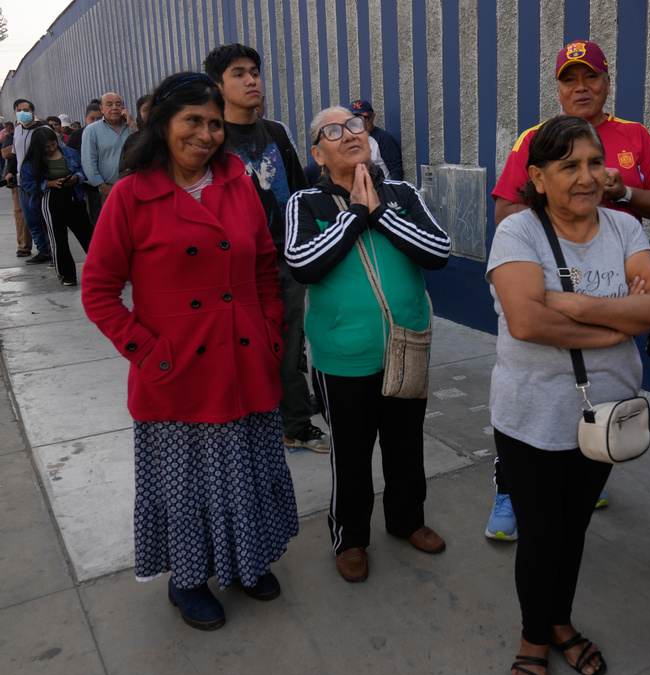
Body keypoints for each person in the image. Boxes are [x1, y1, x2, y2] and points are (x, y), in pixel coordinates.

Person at [80, 72, 299, 631]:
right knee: (189, 485)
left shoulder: (238, 182)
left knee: (246, 471)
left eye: (215, 124)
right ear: (163, 125)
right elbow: (99, 290)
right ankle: (188, 579)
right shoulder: (131, 194)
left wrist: (271, 329)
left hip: (246, 360)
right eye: (193, 122)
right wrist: (148, 352)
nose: (207, 135)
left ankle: (248, 563)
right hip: (177, 371)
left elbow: (263, 268)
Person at [488, 115, 650, 675]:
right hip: (533, 414)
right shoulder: (518, 233)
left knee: (574, 528)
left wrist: (572, 305)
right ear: (538, 177)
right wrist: (619, 325)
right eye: (569, 166)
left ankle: (558, 620)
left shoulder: (623, 228)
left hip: (606, 412)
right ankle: (534, 637)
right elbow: (524, 320)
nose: (587, 176)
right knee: (542, 535)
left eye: (595, 163)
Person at [486, 39, 650, 541]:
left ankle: (585, 463)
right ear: (558, 87)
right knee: (533, 406)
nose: (581, 87)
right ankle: (509, 493)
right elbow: (508, 212)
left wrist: (622, 194)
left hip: (621, 265)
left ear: (606, 81)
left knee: (590, 417)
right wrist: (568, 208)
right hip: (558, 273)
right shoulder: (535, 138)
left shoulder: (634, 136)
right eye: (569, 79)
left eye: (590, 76)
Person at [284, 106, 451, 583]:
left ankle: (406, 521)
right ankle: (351, 537)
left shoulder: (401, 193)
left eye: (355, 126)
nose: (348, 134)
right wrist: (357, 214)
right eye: (331, 131)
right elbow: (302, 263)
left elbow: (437, 251)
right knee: (352, 453)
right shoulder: (306, 203)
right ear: (317, 153)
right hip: (343, 357)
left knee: (405, 445)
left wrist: (379, 211)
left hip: (406, 345)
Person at [203, 43, 330, 454]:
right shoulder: (211, 138)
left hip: (284, 257)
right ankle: (247, 426)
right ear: (218, 85)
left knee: (291, 345)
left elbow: (297, 191)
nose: (251, 79)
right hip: (233, 266)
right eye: (239, 73)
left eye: (254, 71)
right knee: (242, 348)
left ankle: (294, 423)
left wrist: (305, 244)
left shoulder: (274, 131)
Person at [19, 126, 92, 286]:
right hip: (51, 199)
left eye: (53, 144)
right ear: (38, 147)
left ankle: (104, 270)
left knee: (88, 234)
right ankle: (67, 276)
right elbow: (26, 183)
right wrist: (49, 183)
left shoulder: (69, 153)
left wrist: (76, 178)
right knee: (58, 239)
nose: (51, 149)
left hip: (74, 195)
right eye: (47, 147)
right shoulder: (31, 162)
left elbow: (83, 170)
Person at [12, 99, 54, 264]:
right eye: (19, 110)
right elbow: (15, 156)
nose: (22, 112)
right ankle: (43, 251)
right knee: (31, 219)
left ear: (33, 112)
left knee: (47, 218)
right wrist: (11, 173)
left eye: (26, 109)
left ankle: (54, 251)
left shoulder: (43, 129)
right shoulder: (17, 131)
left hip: (43, 181)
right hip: (24, 183)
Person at [81, 92, 134, 206]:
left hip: (135, 187)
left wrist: (132, 125)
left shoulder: (132, 127)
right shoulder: (92, 130)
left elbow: (145, 149)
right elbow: (88, 163)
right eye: (109, 104)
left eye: (118, 104)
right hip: (110, 189)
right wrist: (104, 188)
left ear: (123, 107)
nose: (114, 107)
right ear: (102, 109)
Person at [2, 121, 33, 257]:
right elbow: (5, 153)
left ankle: (47, 248)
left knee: (40, 212)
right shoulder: (11, 136)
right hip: (17, 180)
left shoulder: (37, 132)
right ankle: (24, 246)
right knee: (20, 214)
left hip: (35, 178)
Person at [350, 99, 403, 180]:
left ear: (373, 116)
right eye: (356, 120)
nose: (361, 123)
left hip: (380, 190)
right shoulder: (348, 140)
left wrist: (391, 192)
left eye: (365, 118)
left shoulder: (383, 138)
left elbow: (396, 170)